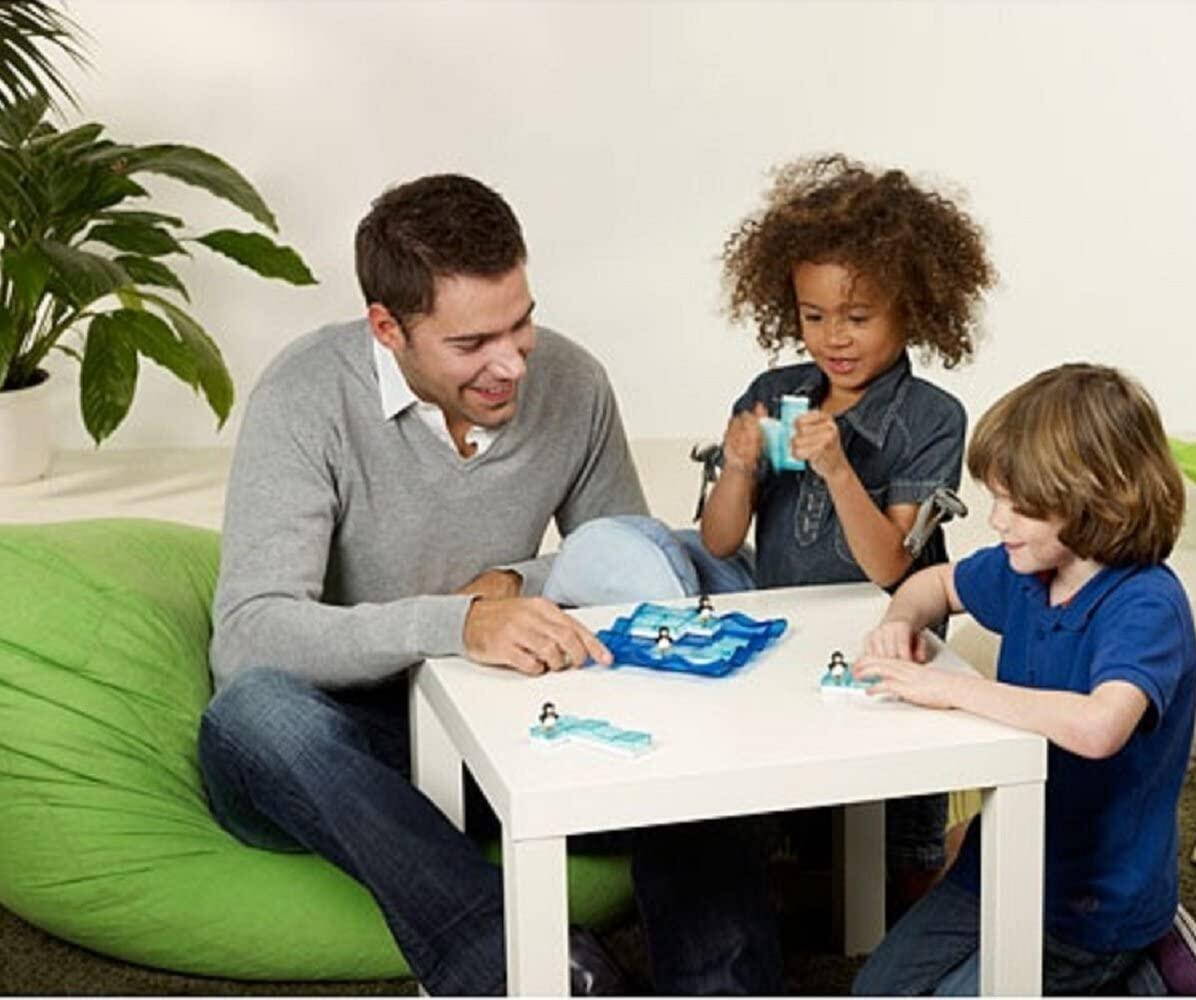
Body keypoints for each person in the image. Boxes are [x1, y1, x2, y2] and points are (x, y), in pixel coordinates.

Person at [200, 173, 781, 996]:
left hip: (508, 725)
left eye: (521, 323)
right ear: (387, 328)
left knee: (675, 664)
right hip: (359, 742)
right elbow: (250, 633)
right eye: (472, 343)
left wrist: (515, 580)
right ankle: (531, 971)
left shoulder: (573, 381)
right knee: (255, 712)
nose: (509, 363)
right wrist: (458, 622)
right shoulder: (305, 396)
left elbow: (625, 567)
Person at [689, 153, 996, 912]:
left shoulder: (931, 417)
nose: (835, 338)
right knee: (787, 833)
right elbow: (720, 542)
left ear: (912, 310)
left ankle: (930, 864)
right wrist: (737, 468)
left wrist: (835, 469)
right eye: (813, 316)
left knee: (899, 852)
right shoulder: (775, 394)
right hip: (783, 631)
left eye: (858, 318)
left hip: (887, 637)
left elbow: (892, 565)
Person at [850, 363, 1196, 996]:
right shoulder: (1028, 568)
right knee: (874, 991)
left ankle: (1139, 974)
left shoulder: (1146, 604)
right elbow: (933, 583)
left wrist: (951, 689)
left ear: (1097, 496)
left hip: (1092, 908)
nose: (997, 520)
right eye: (995, 497)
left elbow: (1100, 727)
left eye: (1019, 504)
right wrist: (900, 622)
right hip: (998, 863)